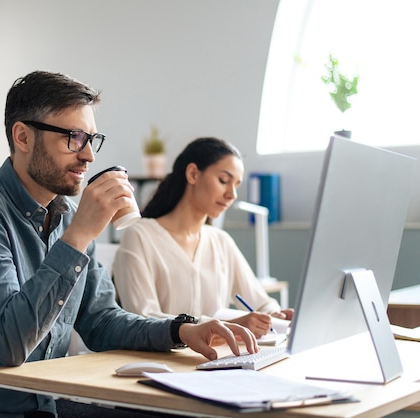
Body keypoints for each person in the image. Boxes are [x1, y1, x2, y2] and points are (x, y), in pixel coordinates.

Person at [0, 71, 258, 418]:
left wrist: (182, 329)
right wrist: (79, 236)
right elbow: (8, 344)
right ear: (22, 137)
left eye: (92, 140)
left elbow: (100, 321)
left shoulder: (67, 215)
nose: (89, 156)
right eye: (73, 138)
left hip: (38, 406)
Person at [112, 137, 294, 339]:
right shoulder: (139, 236)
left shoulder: (221, 241)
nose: (231, 194)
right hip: (161, 363)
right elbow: (142, 317)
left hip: (216, 359)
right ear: (192, 174)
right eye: (224, 181)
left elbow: (261, 302)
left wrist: (273, 315)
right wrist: (224, 325)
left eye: (236, 185)